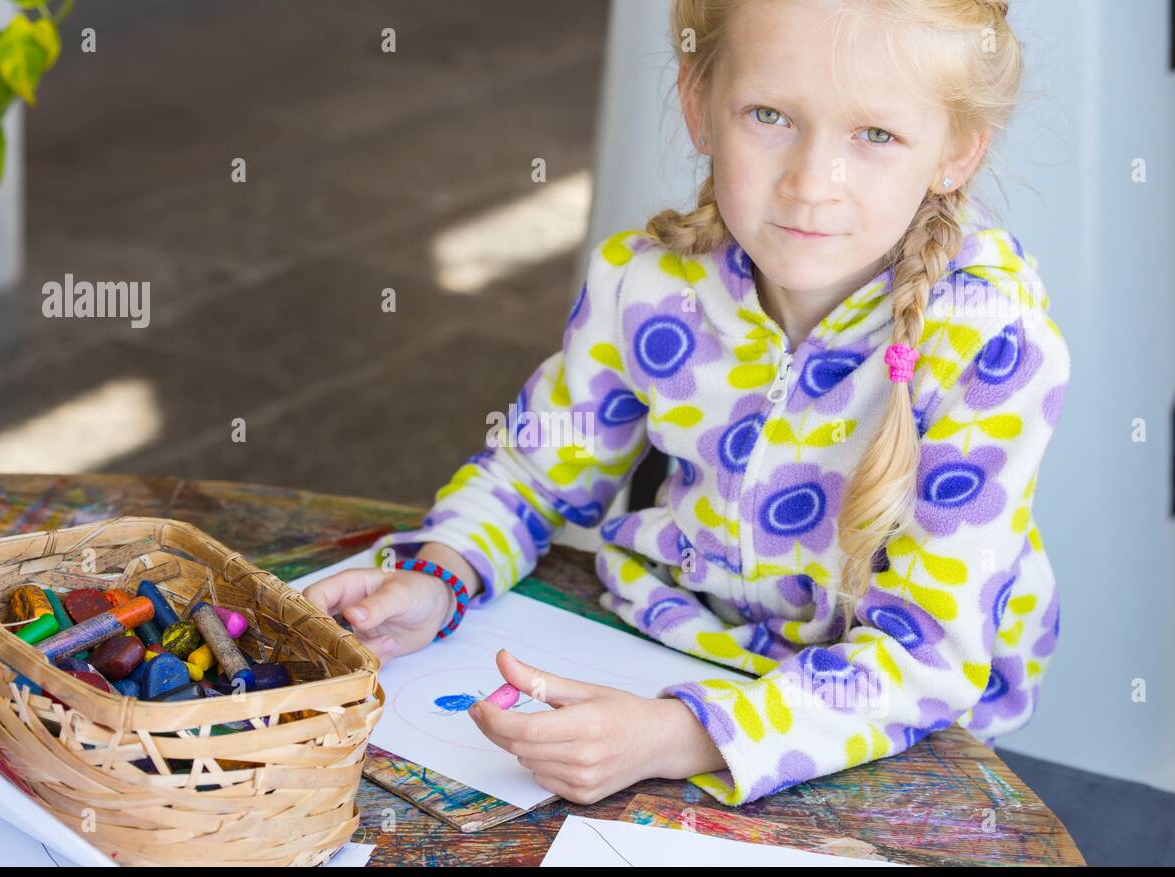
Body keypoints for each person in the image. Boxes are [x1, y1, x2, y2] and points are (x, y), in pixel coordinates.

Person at [306, 0, 1069, 807]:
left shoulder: (993, 343)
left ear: (957, 152)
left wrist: (683, 736)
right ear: (698, 107)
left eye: (875, 134)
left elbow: (929, 661)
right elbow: (532, 472)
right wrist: (441, 575)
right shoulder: (649, 286)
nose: (812, 184)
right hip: (671, 649)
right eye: (769, 114)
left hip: (894, 732)